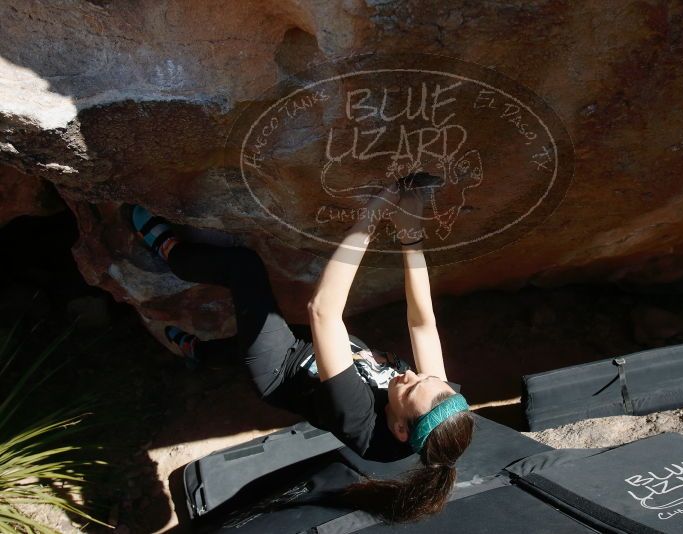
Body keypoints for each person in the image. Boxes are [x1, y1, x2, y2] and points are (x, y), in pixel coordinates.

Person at [128, 173, 474, 523]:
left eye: (410, 386)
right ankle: (197, 353)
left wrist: (374, 215)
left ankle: (173, 252)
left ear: (400, 430)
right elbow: (422, 323)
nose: (411, 373)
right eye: (425, 377)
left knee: (244, 268)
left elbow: (322, 311)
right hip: (312, 356)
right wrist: (410, 234)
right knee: (244, 339)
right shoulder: (436, 405)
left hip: (280, 367)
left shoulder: (361, 423)